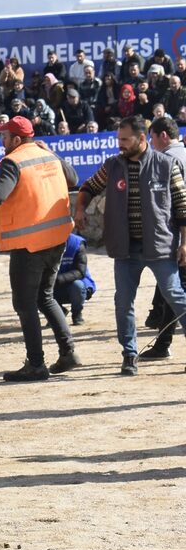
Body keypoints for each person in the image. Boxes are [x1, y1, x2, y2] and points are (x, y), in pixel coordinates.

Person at [0, 117, 79, 381]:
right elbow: (73, 177)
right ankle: (68, 351)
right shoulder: (46, 154)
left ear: (16, 139)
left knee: (25, 304)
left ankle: (36, 364)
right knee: (45, 297)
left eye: (4, 137)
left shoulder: (12, 161)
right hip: (57, 239)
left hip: (30, 245)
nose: (1, 141)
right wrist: (52, 153)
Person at [75, 116, 186, 376]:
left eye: (125, 140)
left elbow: (182, 207)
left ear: (142, 138)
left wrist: (184, 243)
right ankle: (129, 354)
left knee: (176, 296)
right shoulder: (112, 166)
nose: (120, 145)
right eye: (118, 140)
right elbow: (89, 186)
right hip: (125, 248)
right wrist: (80, 208)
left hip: (160, 246)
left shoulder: (167, 165)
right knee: (124, 302)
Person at [138, 116, 186, 360]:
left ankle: (163, 343)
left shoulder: (168, 160)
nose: (151, 143)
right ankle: (163, 342)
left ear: (163, 136)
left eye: (152, 137)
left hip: (180, 236)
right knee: (172, 292)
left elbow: (175, 205)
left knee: (176, 293)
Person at [54, 232, 95, 326]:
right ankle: (56, 313)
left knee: (77, 286)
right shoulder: (43, 243)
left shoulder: (77, 243)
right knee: (35, 287)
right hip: (53, 286)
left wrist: (57, 279)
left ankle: (77, 314)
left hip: (74, 285)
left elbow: (80, 272)